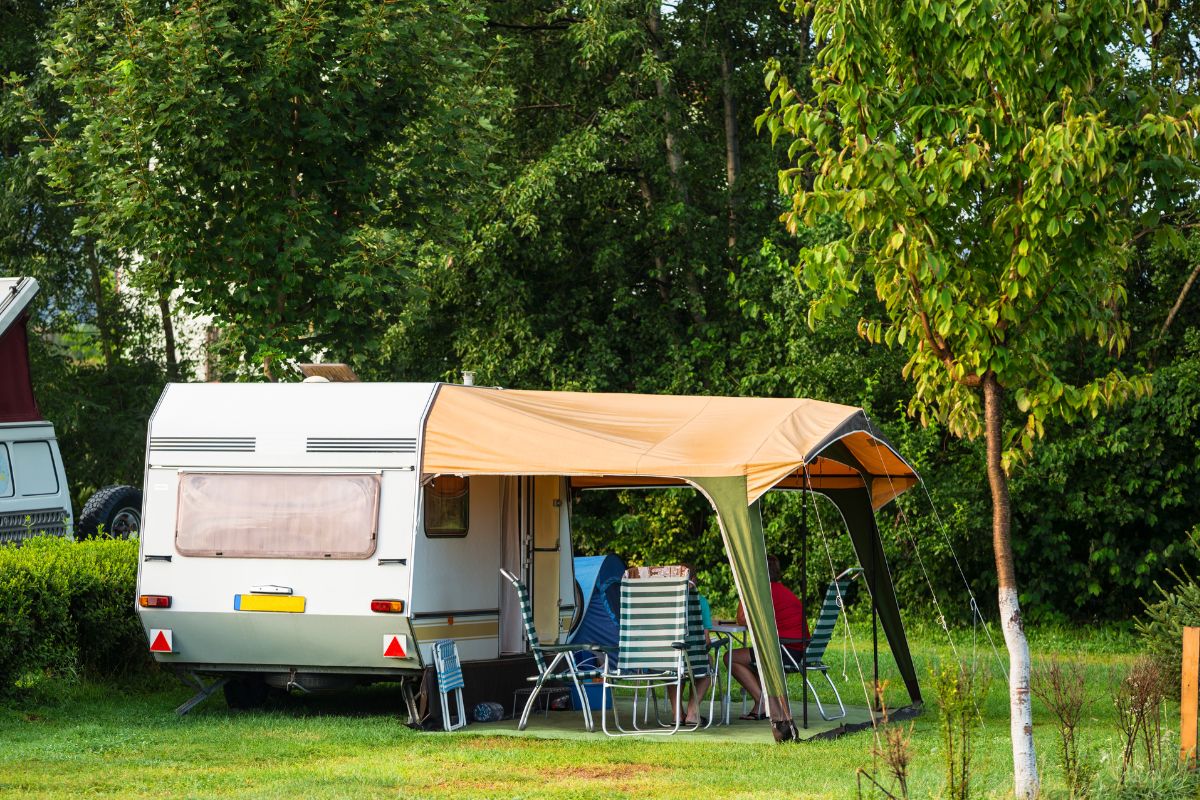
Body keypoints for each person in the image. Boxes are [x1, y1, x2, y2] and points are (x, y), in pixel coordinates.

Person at [730, 555, 809, 720]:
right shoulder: (782, 590)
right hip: (797, 650)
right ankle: (765, 702)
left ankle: (762, 702)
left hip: (784, 651)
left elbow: (742, 620)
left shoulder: (764, 591)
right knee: (754, 657)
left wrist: (745, 591)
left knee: (731, 658)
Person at [666, 564, 713, 726]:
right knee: (707, 665)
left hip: (665, 660)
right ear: (693, 579)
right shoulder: (700, 601)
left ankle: (677, 714)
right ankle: (692, 713)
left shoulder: (664, 601)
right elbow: (705, 641)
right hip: (693, 659)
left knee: (674, 668)